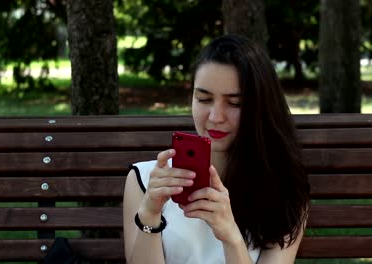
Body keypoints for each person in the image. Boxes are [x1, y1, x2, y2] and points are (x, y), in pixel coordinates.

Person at [123, 34, 310, 264]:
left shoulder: (283, 190)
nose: (215, 117)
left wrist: (231, 236)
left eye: (234, 103)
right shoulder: (144, 181)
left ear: (260, 106)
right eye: (203, 98)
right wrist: (150, 214)